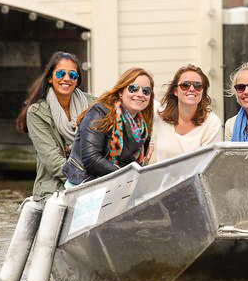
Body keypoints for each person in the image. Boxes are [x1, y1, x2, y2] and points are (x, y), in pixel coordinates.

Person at [16, 51, 92, 201]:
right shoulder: (37, 112)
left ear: (77, 80)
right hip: (54, 190)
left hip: (91, 183)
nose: (66, 79)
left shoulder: (94, 105)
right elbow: (52, 159)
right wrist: (84, 182)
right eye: (60, 74)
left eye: (72, 75)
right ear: (50, 78)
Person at [65, 67, 155, 186]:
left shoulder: (142, 127)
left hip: (117, 186)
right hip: (84, 185)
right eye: (133, 88)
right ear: (120, 92)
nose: (140, 94)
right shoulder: (100, 112)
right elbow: (91, 159)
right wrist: (127, 175)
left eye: (146, 91)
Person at [152, 64, 222, 162]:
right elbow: (137, 100)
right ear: (175, 91)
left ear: (203, 91)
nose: (192, 89)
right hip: (161, 177)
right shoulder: (159, 114)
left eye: (198, 86)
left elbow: (208, 164)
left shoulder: (212, 123)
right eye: (185, 85)